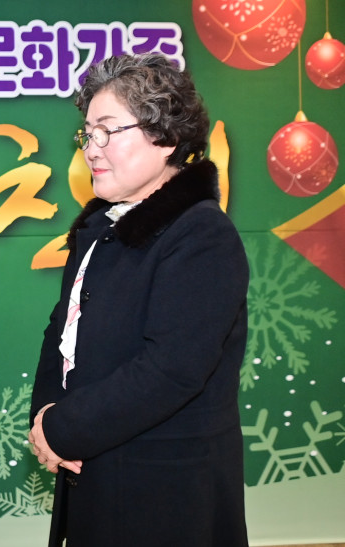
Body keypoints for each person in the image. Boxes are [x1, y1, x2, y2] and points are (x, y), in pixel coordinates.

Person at [28, 53, 249, 546]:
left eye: (108, 131)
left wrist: (63, 429)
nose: (92, 149)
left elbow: (172, 369)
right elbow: (61, 333)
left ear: (165, 137)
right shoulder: (98, 228)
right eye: (88, 133)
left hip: (164, 494)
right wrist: (45, 419)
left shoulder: (201, 234)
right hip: (91, 473)